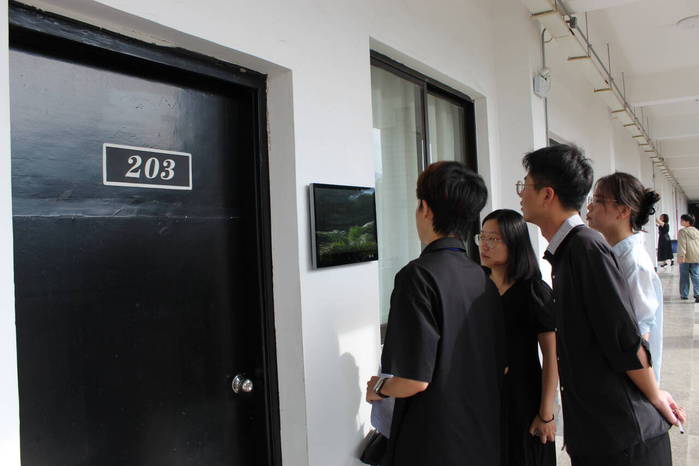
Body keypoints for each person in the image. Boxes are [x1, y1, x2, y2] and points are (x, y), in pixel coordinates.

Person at [517, 144, 686, 466]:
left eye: (525, 185)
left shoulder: (586, 248)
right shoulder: (569, 250)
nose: (521, 195)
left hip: (624, 442)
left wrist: (655, 395)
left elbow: (625, 338)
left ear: (547, 194)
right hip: (600, 436)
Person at [365, 161, 506, 466]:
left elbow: (413, 381)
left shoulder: (417, 276)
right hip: (481, 438)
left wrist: (377, 387)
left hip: (432, 443)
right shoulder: (483, 279)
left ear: (426, 210)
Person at [478, 209, 557, 466]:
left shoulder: (534, 291)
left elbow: (551, 356)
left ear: (514, 242)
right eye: (482, 237)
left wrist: (546, 413)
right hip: (484, 397)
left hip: (524, 399)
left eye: (494, 238)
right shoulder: (476, 288)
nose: (485, 245)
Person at [586, 172, 664, 381]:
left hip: (628, 382)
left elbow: (639, 337)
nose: (590, 206)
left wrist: (652, 392)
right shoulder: (611, 254)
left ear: (623, 210)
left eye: (598, 200)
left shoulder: (634, 264)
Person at [677, 213, 699, 303]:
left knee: (684, 276)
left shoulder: (682, 231)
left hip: (686, 257)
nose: (681, 221)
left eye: (682, 220)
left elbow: (682, 245)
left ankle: (684, 294)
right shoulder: (696, 231)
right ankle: (698, 293)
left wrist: (681, 256)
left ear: (687, 222)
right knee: (696, 275)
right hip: (696, 256)